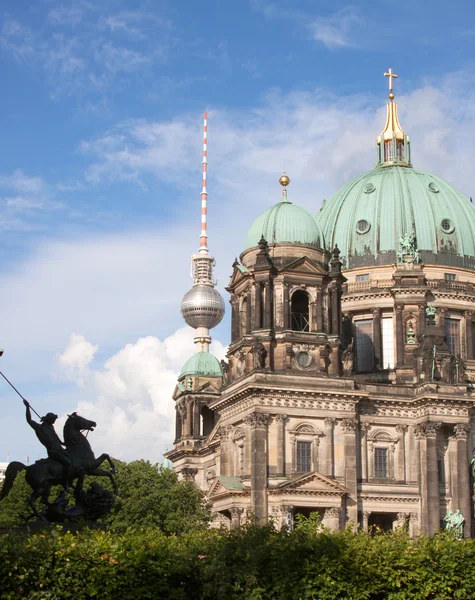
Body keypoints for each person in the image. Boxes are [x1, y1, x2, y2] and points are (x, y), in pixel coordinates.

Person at [23, 399, 72, 492]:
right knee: (67, 463)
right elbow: (29, 420)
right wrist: (27, 407)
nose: (54, 421)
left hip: (60, 449)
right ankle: (65, 484)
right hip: (53, 451)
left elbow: (55, 436)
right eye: (53, 420)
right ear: (49, 419)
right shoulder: (39, 428)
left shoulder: (51, 427)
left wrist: (62, 443)